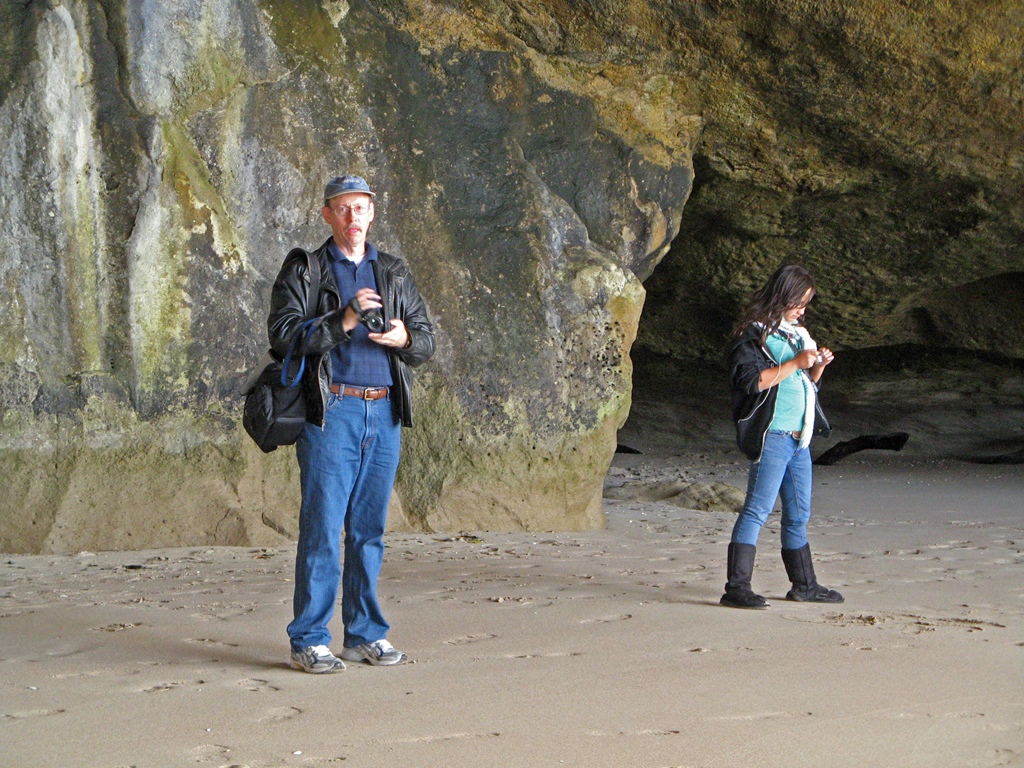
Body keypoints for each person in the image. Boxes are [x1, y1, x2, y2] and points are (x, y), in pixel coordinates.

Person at [268, 174, 436, 672]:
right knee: (322, 526)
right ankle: (309, 639)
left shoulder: (393, 271)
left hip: (383, 410)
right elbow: (282, 336)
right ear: (327, 214)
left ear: (372, 213)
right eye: (342, 209)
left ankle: (364, 635)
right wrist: (343, 320)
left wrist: (404, 337)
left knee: (369, 531)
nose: (352, 219)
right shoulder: (308, 268)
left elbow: (427, 343)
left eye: (360, 209)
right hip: (332, 410)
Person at [721, 264, 844, 609]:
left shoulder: (796, 333)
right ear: (783, 296)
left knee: (798, 513)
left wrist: (817, 366)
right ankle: (736, 588)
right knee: (757, 508)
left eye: (806, 304)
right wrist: (795, 363)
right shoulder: (752, 334)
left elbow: (806, 387)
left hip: (799, 438)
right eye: (799, 303)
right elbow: (751, 382)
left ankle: (805, 585)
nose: (803, 310)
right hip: (772, 434)